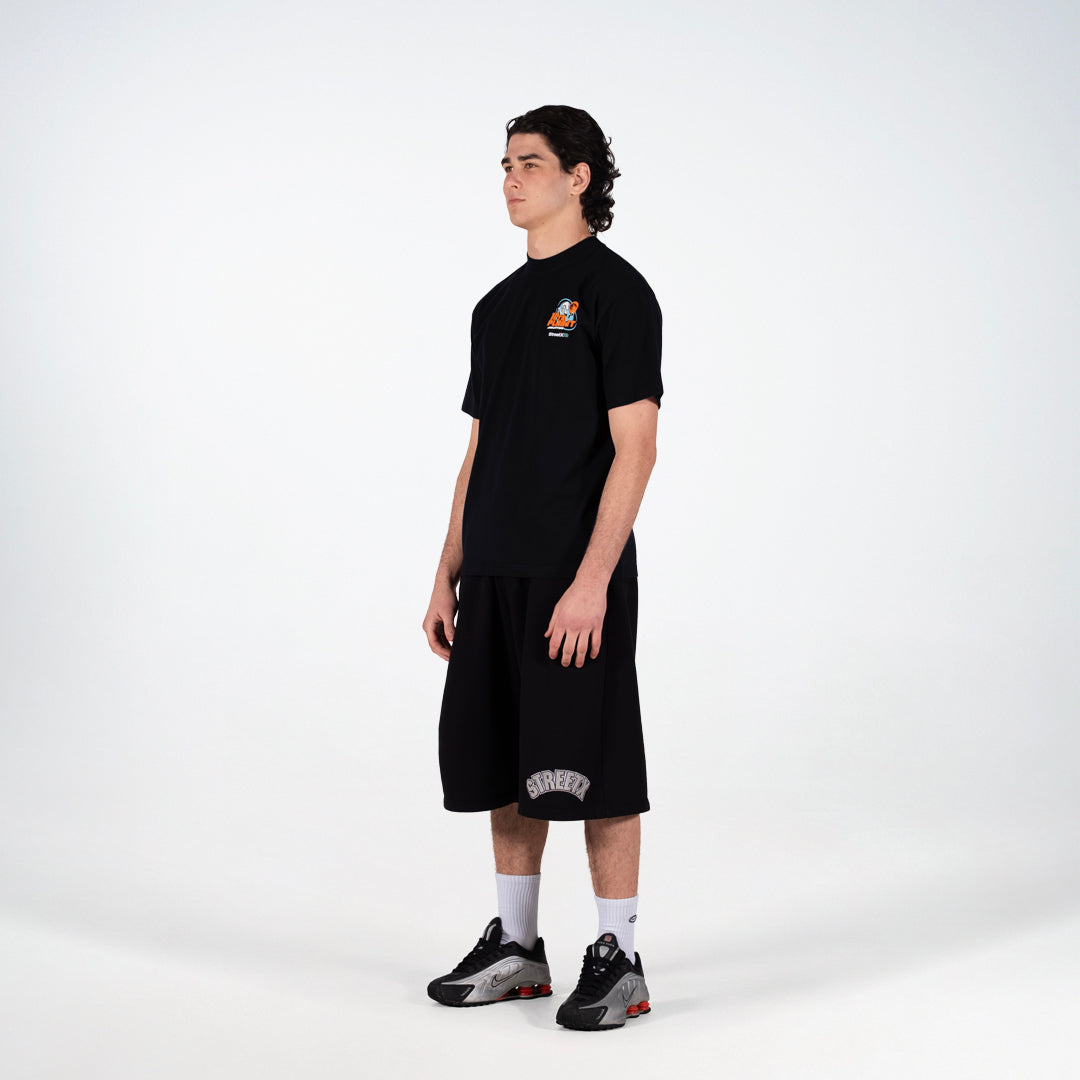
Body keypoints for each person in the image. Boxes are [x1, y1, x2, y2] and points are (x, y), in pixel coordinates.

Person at [421, 104, 663, 1032]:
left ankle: (620, 956)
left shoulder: (616, 293)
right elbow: (478, 452)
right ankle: (519, 948)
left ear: (579, 177)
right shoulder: (495, 307)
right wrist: (447, 571)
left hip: (574, 577)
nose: (511, 179)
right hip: (493, 574)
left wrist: (592, 581)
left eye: (529, 163)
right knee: (503, 763)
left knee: (594, 764)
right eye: (505, 164)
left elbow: (636, 448)